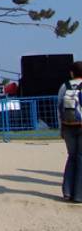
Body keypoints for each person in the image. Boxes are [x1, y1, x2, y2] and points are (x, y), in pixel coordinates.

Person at [57, 61, 82, 202]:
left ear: (72, 73)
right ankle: (79, 194)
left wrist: (61, 128)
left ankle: (67, 191)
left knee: (71, 157)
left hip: (67, 126)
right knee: (81, 158)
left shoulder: (64, 87)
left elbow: (59, 108)